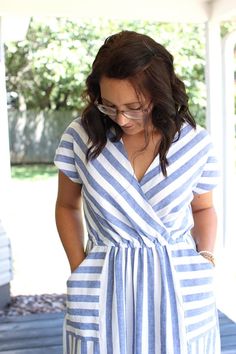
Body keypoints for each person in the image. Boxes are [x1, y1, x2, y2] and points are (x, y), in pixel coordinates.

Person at [54, 30, 221, 354]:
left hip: (178, 283)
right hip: (103, 283)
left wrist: (206, 261)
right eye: (109, 105)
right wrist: (80, 270)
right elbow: (66, 207)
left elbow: (203, 209)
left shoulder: (195, 144)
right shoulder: (81, 136)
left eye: (134, 107)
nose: (121, 118)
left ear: (160, 94)